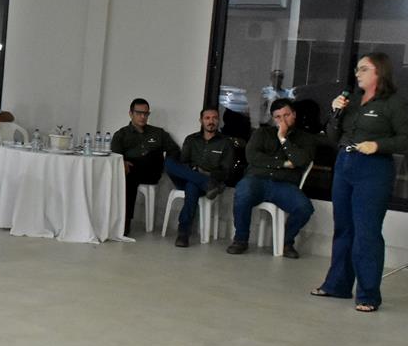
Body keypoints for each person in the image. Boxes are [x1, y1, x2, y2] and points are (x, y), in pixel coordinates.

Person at [313, 53, 408, 311]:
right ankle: (337, 285)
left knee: (366, 232)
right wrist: (335, 112)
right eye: (357, 69)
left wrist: (379, 145)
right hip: (344, 164)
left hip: (373, 169)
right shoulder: (354, 101)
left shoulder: (394, 103)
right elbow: (334, 135)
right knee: (343, 228)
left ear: (379, 72)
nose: (357, 73)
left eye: (364, 69)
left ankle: (368, 294)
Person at [227, 98, 316, 258]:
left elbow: (301, 160)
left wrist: (283, 139)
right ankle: (240, 239)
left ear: (294, 115)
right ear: (272, 118)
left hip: (284, 184)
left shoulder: (306, 138)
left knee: (304, 207)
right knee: (242, 192)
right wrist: (283, 163)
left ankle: (286, 242)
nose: (283, 120)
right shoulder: (262, 133)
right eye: (278, 117)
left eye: (286, 115)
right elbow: (252, 156)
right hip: (257, 180)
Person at [164, 107, 235, 247]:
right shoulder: (191, 139)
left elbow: (226, 171)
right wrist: (196, 172)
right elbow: (183, 163)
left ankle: (183, 233)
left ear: (218, 121)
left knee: (192, 186)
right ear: (201, 120)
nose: (211, 121)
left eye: (214, 118)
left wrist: (207, 174)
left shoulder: (225, 143)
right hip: (191, 177)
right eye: (207, 118)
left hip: (206, 181)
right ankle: (207, 183)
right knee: (169, 162)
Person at [110, 98, 180, 237]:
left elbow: (175, 150)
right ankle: (125, 222)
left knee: (152, 154)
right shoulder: (121, 134)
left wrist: (167, 163)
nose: (143, 117)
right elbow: (115, 156)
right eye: (139, 113)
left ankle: (125, 222)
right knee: (129, 176)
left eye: (146, 114)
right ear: (131, 114)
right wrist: (122, 162)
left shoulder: (158, 133)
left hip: (152, 170)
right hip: (131, 171)